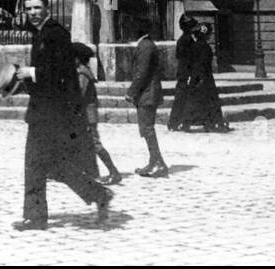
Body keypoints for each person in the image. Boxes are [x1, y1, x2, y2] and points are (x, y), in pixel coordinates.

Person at [12, 0, 112, 231]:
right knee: (55, 165)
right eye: (29, 9)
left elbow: (61, 73)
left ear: (48, 8)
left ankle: (35, 218)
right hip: (44, 111)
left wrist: (32, 73)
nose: (33, 13)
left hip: (52, 113)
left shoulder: (56, 34)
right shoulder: (40, 34)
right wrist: (24, 80)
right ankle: (99, 194)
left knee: (35, 164)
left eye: (37, 8)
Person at [73, 42, 121, 184]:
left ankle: (114, 172)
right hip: (83, 114)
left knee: (95, 145)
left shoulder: (83, 74)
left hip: (86, 116)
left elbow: (78, 95)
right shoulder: (79, 71)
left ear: (78, 58)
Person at [125, 26, 169, 178]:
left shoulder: (145, 47)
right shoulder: (146, 45)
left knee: (147, 129)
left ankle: (159, 164)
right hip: (147, 93)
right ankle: (155, 162)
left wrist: (131, 92)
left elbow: (142, 72)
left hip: (147, 94)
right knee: (146, 129)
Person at [167, 15, 207, 131]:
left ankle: (176, 122)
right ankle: (180, 122)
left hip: (183, 72)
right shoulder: (189, 40)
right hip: (187, 73)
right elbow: (191, 58)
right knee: (185, 99)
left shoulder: (181, 40)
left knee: (181, 99)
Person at [195, 24, 232, 133]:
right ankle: (214, 122)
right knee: (212, 101)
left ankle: (209, 122)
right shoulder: (205, 47)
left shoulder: (195, 46)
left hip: (198, 77)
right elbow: (204, 63)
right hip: (206, 78)